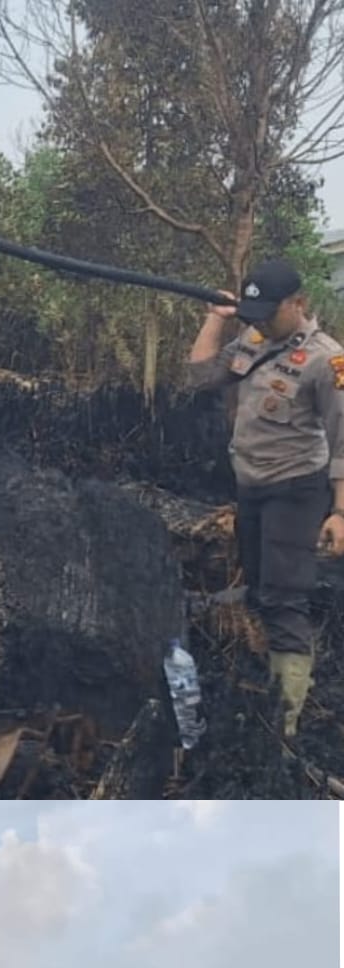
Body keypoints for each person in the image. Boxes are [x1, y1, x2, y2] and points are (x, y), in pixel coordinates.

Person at [185, 259, 344, 735]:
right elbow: (200, 376)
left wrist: (339, 512)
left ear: (298, 304)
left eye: (268, 311)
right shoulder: (253, 341)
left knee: (283, 599)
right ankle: (270, 679)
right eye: (251, 311)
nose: (258, 320)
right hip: (251, 488)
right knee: (259, 590)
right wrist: (216, 318)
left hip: (296, 491)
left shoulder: (327, 360)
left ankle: (287, 721)